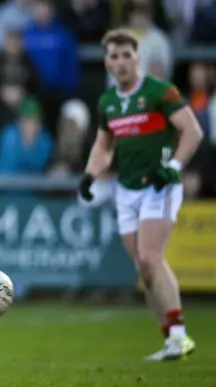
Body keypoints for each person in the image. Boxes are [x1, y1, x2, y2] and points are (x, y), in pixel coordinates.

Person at [79, 29, 204, 361]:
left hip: (159, 185)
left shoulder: (160, 92)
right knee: (143, 270)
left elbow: (192, 130)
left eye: (126, 55)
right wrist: (91, 175)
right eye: (114, 56)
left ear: (138, 57)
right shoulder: (108, 103)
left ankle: (179, 336)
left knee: (151, 257)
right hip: (127, 189)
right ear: (106, 62)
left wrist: (175, 165)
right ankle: (170, 339)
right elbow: (104, 145)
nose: (120, 62)